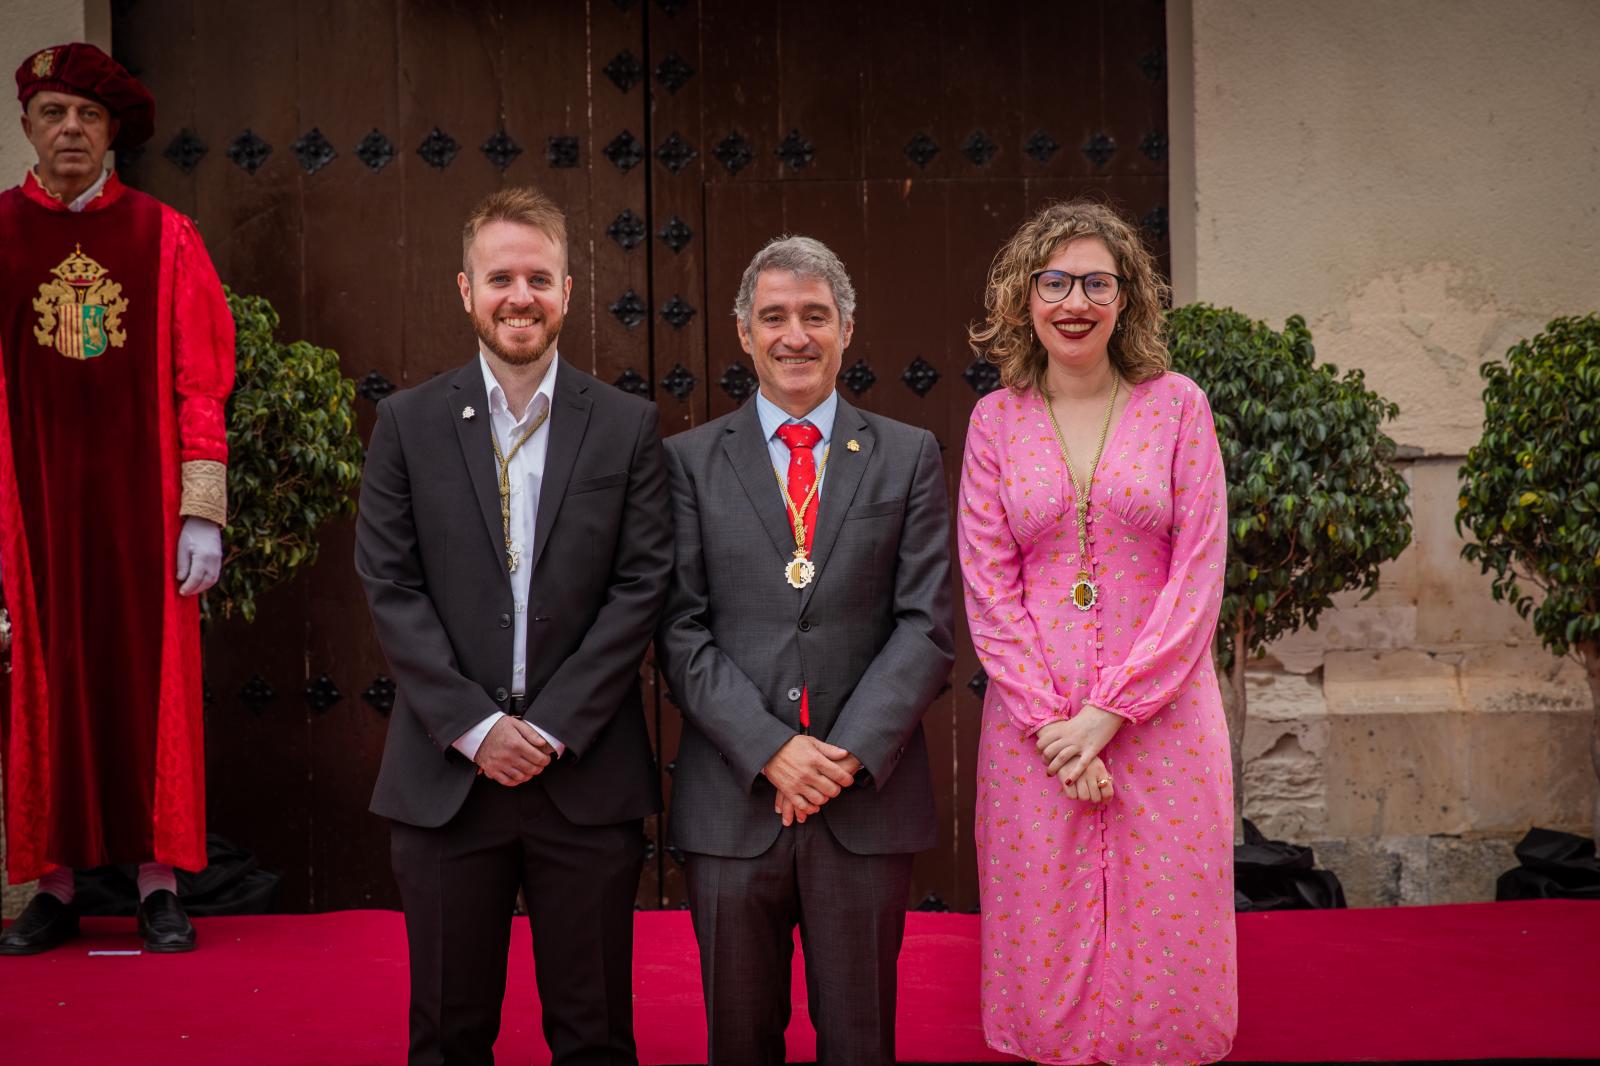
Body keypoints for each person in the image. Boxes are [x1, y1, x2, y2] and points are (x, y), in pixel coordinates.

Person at [355, 185, 672, 1066]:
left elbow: (641, 585)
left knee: (595, 1033)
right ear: (466, 290)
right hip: (448, 782)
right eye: (501, 277)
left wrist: (554, 726)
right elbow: (390, 583)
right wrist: (477, 727)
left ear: (569, 290)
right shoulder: (407, 424)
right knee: (450, 1035)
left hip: (585, 779)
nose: (520, 296)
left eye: (539, 277)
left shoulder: (626, 426)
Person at [656, 235, 954, 1066]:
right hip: (732, 805)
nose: (796, 336)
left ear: (847, 328)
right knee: (738, 1043)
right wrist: (773, 751)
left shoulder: (907, 454)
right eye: (775, 317)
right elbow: (678, 629)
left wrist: (841, 757)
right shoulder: (686, 464)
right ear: (744, 333)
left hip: (863, 807)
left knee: (860, 1043)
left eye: (815, 316)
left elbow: (927, 625)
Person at [958, 199, 1238, 1064]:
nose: (1074, 301)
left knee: (1169, 910)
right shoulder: (994, 422)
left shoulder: (1177, 406)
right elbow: (987, 585)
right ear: (1023, 294)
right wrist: (1053, 725)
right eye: (1055, 281)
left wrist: (1111, 714)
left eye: (1096, 282)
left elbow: (1198, 573)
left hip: (1162, 720)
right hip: (1035, 726)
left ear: (1128, 299)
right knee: (1042, 913)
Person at [0, 42, 234, 955]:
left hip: (142, 511)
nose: (70, 130)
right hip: (33, 513)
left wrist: (201, 510)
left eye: (87, 116)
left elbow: (200, 381)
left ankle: (157, 882)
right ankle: (53, 887)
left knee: (149, 686)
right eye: (54, 112)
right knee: (42, 690)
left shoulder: (164, 236)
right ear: (27, 124)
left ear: (112, 134)